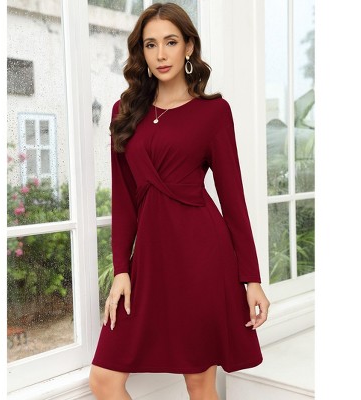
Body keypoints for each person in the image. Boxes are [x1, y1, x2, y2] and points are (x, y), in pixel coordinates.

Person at [89, 3, 270, 399]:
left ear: (188, 47)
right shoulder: (124, 112)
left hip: (203, 258)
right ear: (142, 52)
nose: (161, 54)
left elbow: (233, 201)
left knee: (199, 384)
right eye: (151, 44)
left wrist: (251, 279)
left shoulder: (214, 112)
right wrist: (122, 270)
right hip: (149, 261)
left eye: (170, 42)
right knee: (104, 379)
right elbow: (124, 201)